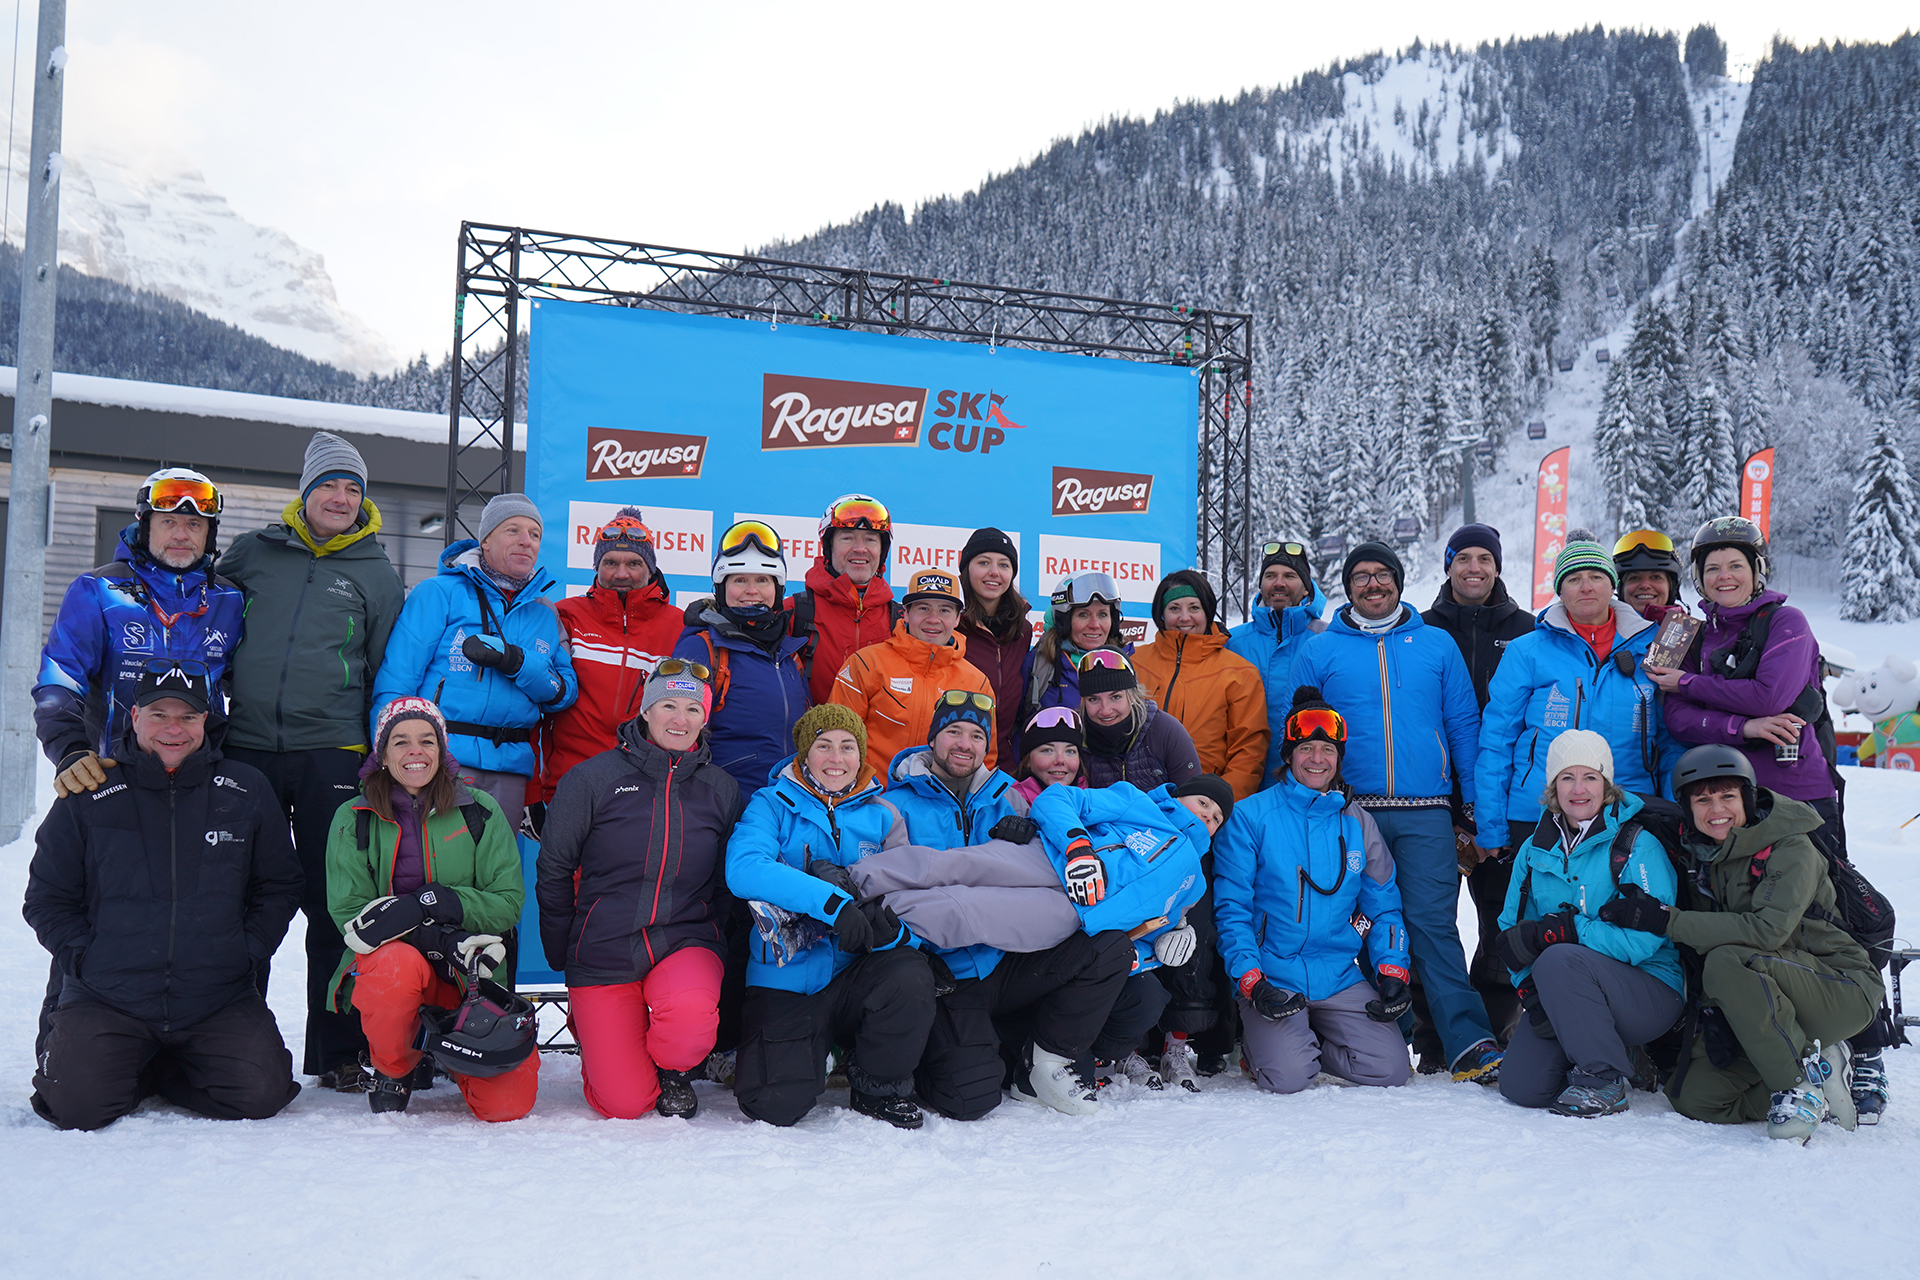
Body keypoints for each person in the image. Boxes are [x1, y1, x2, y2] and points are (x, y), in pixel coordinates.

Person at [1647, 515, 1896, 1117]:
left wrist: (1693, 684)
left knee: (1826, 913)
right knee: (1732, 908)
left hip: (1797, 792)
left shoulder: (1788, 622)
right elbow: (1675, 717)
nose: (1724, 576)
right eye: (1712, 568)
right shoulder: (1693, 632)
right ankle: (1763, 1031)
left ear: (1757, 570)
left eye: (1736, 564)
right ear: (1701, 579)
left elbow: (1773, 694)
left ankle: (1866, 1049)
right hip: (1725, 797)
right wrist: (1742, 727)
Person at [24, 663, 303, 1131]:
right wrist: (84, 958)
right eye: (159, 714)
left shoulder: (245, 788)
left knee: (260, 1095)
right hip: (109, 996)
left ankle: (162, 1066)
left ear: (206, 721)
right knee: (76, 1108)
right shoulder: (90, 790)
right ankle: (120, 1060)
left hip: (214, 996)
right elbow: (46, 897)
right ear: (134, 717)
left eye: (188, 717)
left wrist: (246, 953)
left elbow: (278, 885)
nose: (173, 729)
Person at [844, 773, 1224, 1113]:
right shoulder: (1138, 803)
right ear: (1180, 795)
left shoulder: (1193, 883)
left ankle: (873, 918)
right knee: (951, 865)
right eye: (1203, 803)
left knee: (969, 913)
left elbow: (1139, 937)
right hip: (1050, 857)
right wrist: (1077, 845)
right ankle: (846, 887)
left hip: (1070, 914)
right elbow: (1059, 798)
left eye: (1216, 817)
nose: (1206, 816)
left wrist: (1160, 951)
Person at [218, 431, 406, 1090]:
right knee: (242, 896)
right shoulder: (252, 553)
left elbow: (387, 667)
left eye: (352, 488)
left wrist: (381, 753)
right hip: (245, 747)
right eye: (329, 484)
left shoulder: (377, 573)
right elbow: (205, 621)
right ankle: (229, 1036)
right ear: (305, 491)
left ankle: (337, 1051)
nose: (340, 497)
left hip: (334, 750)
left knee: (335, 902)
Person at [1292, 542, 1500, 1083]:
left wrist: (1471, 806)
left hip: (1425, 810)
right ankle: (1381, 1037)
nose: (1373, 584)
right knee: (1354, 926)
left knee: (1433, 925)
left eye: (1383, 574)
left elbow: (1463, 726)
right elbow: (1296, 733)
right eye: (1361, 576)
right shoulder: (1320, 650)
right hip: (1347, 811)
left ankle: (1467, 1042)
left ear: (1399, 582)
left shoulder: (1436, 644)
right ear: (1348, 585)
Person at [1600, 745, 1882, 1139]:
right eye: (1703, 799)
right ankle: (1824, 1069)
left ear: (1748, 798)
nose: (1716, 809)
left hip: (1838, 988)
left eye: (1728, 796)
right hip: (1763, 999)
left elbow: (1767, 932)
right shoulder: (1701, 855)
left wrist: (1668, 920)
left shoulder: (1791, 846)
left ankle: (1798, 1084)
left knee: (1728, 960)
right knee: (1693, 1097)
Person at [873, 693, 1127, 1118]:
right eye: (953, 731)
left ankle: (1039, 1056)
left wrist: (1032, 829)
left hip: (1007, 961)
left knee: (1109, 945)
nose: (964, 744)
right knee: (972, 1097)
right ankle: (940, 1049)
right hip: (944, 973)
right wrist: (916, 955)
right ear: (933, 738)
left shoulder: (1009, 798)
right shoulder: (893, 804)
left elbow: (1050, 872)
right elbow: (887, 890)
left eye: (976, 735)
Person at [536, 664, 743, 1120]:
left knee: (688, 1023)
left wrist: (714, 935)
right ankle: (602, 1034)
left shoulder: (721, 789)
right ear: (646, 710)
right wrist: (562, 952)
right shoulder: (591, 779)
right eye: (669, 705)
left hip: (684, 939)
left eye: (693, 709)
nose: (680, 719)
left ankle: (675, 1070)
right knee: (624, 1104)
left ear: (704, 719)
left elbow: (728, 881)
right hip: (604, 946)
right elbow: (554, 870)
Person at [724, 704, 937, 1129]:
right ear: (805, 754)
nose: (836, 758)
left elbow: (908, 887)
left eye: (847, 746)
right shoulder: (771, 803)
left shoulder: (883, 812)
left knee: (909, 973)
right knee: (772, 1104)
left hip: (859, 970)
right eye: (824, 746)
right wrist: (831, 903)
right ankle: (814, 1050)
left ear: (861, 755)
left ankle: (877, 1085)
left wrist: (895, 934)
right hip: (788, 975)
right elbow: (744, 867)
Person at [325, 696, 538, 1120]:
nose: (415, 752)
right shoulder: (354, 817)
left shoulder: (481, 811)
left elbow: (508, 903)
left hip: (469, 969)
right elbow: (351, 914)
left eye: (427, 740)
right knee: (394, 969)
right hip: (396, 965)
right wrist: (431, 926)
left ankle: (458, 1060)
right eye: (400, 741)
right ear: (382, 754)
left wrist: (445, 901)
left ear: (442, 749)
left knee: (506, 1107)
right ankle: (395, 1067)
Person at [1212, 687, 1413, 1095]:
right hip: (1275, 974)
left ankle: (1308, 1042)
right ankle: (1270, 1047)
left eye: (1327, 749)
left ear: (1339, 759)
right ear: (1288, 755)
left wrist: (1391, 969)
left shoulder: (1357, 822)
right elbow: (1232, 908)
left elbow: (1383, 904)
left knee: (1390, 1070)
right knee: (1288, 1078)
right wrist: (1252, 980)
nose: (1317, 759)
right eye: (1306, 748)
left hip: (1339, 975)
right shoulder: (1252, 816)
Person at [1492, 731, 1683, 1118]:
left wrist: (1576, 930)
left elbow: (1645, 940)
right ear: (1552, 786)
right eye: (1567, 778)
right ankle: (1603, 1048)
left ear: (1606, 784)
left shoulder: (1636, 844)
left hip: (1649, 990)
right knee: (1522, 1087)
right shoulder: (1533, 849)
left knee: (1559, 958)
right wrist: (1529, 989)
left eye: (1590, 777)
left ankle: (1603, 1080)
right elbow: (1513, 928)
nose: (1578, 790)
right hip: (1569, 988)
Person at [371, 492, 577, 833]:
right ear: (485, 540)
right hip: (440, 761)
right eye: (513, 530)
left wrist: (517, 663)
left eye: (535, 534)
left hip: (509, 771)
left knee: (492, 877)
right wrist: (385, 760)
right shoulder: (439, 593)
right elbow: (396, 682)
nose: (526, 542)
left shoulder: (544, 612)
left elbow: (564, 692)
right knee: (431, 873)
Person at [35, 468, 245, 796]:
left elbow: (255, 685)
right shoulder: (99, 590)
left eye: (194, 524)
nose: (181, 535)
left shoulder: (230, 600)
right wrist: (70, 749)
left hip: (203, 782)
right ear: (145, 526)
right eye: (168, 521)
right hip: (113, 778)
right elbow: (59, 677)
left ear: (209, 534)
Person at [1475, 536, 1682, 869]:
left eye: (1596, 577)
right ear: (1560, 591)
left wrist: (1675, 813)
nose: (1586, 587)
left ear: (1612, 585)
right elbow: (1497, 743)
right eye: (1573, 579)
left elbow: (1671, 741)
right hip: (1538, 814)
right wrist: (1493, 827)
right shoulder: (1527, 651)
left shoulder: (1652, 648)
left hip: (1630, 811)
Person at [1420, 523, 1534, 1055]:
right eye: (1463, 557)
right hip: (1431, 800)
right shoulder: (1420, 629)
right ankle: (1433, 1033)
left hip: (1503, 799)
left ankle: (1492, 1027)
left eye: (1484, 559)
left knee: (1500, 918)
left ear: (1497, 566)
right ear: (1447, 566)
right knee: (1430, 920)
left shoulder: (1529, 632)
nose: (1474, 568)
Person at [530, 508, 683, 819]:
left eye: (634, 564)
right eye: (610, 562)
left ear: (651, 568)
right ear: (596, 567)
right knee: (564, 869)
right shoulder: (566, 615)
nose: (621, 573)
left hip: (646, 787)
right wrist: (531, 790)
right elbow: (532, 705)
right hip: (571, 781)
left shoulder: (679, 626)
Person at [676, 520, 811, 798]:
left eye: (762, 580)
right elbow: (674, 736)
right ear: (721, 588)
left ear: (778, 590)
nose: (752, 591)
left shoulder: (789, 656)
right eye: (740, 580)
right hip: (724, 806)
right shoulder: (703, 648)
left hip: (788, 806)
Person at [829, 568, 997, 776]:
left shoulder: (977, 682)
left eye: (945, 610)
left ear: (957, 619)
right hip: (871, 799)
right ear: (906, 613)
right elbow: (835, 736)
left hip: (939, 804)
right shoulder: (866, 664)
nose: (933, 619)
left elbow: (984, 759)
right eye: (923, 608)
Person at [1133, 569, 1269, 800]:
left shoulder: (1239, 673)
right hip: (1138, 803)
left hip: (1203, 804)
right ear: (1161, 615)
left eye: (1194, 608)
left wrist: (1219, 804)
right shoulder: (1135, 662)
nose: (1185, 617)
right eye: (1174, 608)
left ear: (1207, 612)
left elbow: (1249, 752)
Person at [1228, 540, 1328, 791]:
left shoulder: (1328, 640)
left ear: (1306, 588)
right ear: (1261, 585)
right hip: (1243, 785)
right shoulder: (1233, 643)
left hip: (1307, 785)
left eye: (1290, 576)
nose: (1279, 583)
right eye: (1270, 575)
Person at [791, 493, 899, 707]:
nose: (860, 549)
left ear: (882, 550)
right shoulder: (795, 613)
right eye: (847, 538)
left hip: (878, 741)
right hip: (813, 739)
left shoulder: (901, 621)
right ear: (829, 547)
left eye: (870, 539)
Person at [955, 527, 1030, 765]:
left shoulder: (1022, 630)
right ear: (967, 569)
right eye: (984, 562)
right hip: (956, 756)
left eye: (1004, 565)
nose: (994, 573)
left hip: (1004, 764)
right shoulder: (950, 623)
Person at [1077, 648, 1202, 791]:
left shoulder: (1166, 731)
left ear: (1132, 695)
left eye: (1116, 697)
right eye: (1093, 699)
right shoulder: (1076, 737)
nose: (1105, 710)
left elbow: (1193, 798)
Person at [1021, 571, 1129, 724]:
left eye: (1103, 614)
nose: (1095, 625)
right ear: (1064, 621)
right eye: (1083, 615)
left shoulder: (1126, 667)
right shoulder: (1036, 666)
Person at [1011, 705, 1088, 806]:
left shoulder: (1091, 804)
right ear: (1028, 760)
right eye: (1047, 750)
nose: (1060, 760)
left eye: (1070, 751)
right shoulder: (1009, 805)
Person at [1613, 528, 1688, 622]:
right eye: (1634, 578)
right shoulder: (1601, 632)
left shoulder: (1693, 634)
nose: (1645, 585)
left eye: (1656, 577)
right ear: (1621, 588)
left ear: (1672, 587)